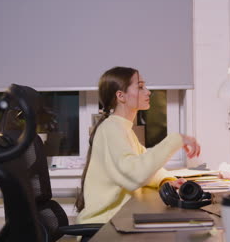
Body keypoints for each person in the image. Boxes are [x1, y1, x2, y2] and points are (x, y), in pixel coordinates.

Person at [75, 66, 200, 224]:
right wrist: (177, 140)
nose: (148, 92)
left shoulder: (124, 129)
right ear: (121, 96)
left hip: (119, 218)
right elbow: (135, 175)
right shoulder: (111, 129)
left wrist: (166, 180)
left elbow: (146, 165)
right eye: (140, 87)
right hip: (105, 225)